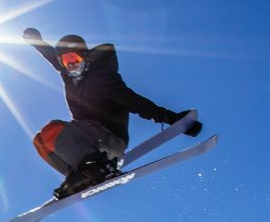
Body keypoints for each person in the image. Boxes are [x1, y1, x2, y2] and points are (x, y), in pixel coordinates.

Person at [22, 27, 202, 199]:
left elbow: (134, 102)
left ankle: (93, 168)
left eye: (74, 59)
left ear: (86, 57)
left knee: (55, 129)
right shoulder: (69, 75)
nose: (71, 65)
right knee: (41, 140)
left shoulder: (101, 78)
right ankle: (79, 176)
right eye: (65, 62)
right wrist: (37, 41)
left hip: (109, 136)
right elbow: (51, 55)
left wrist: (172, 119)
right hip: (88, 139)